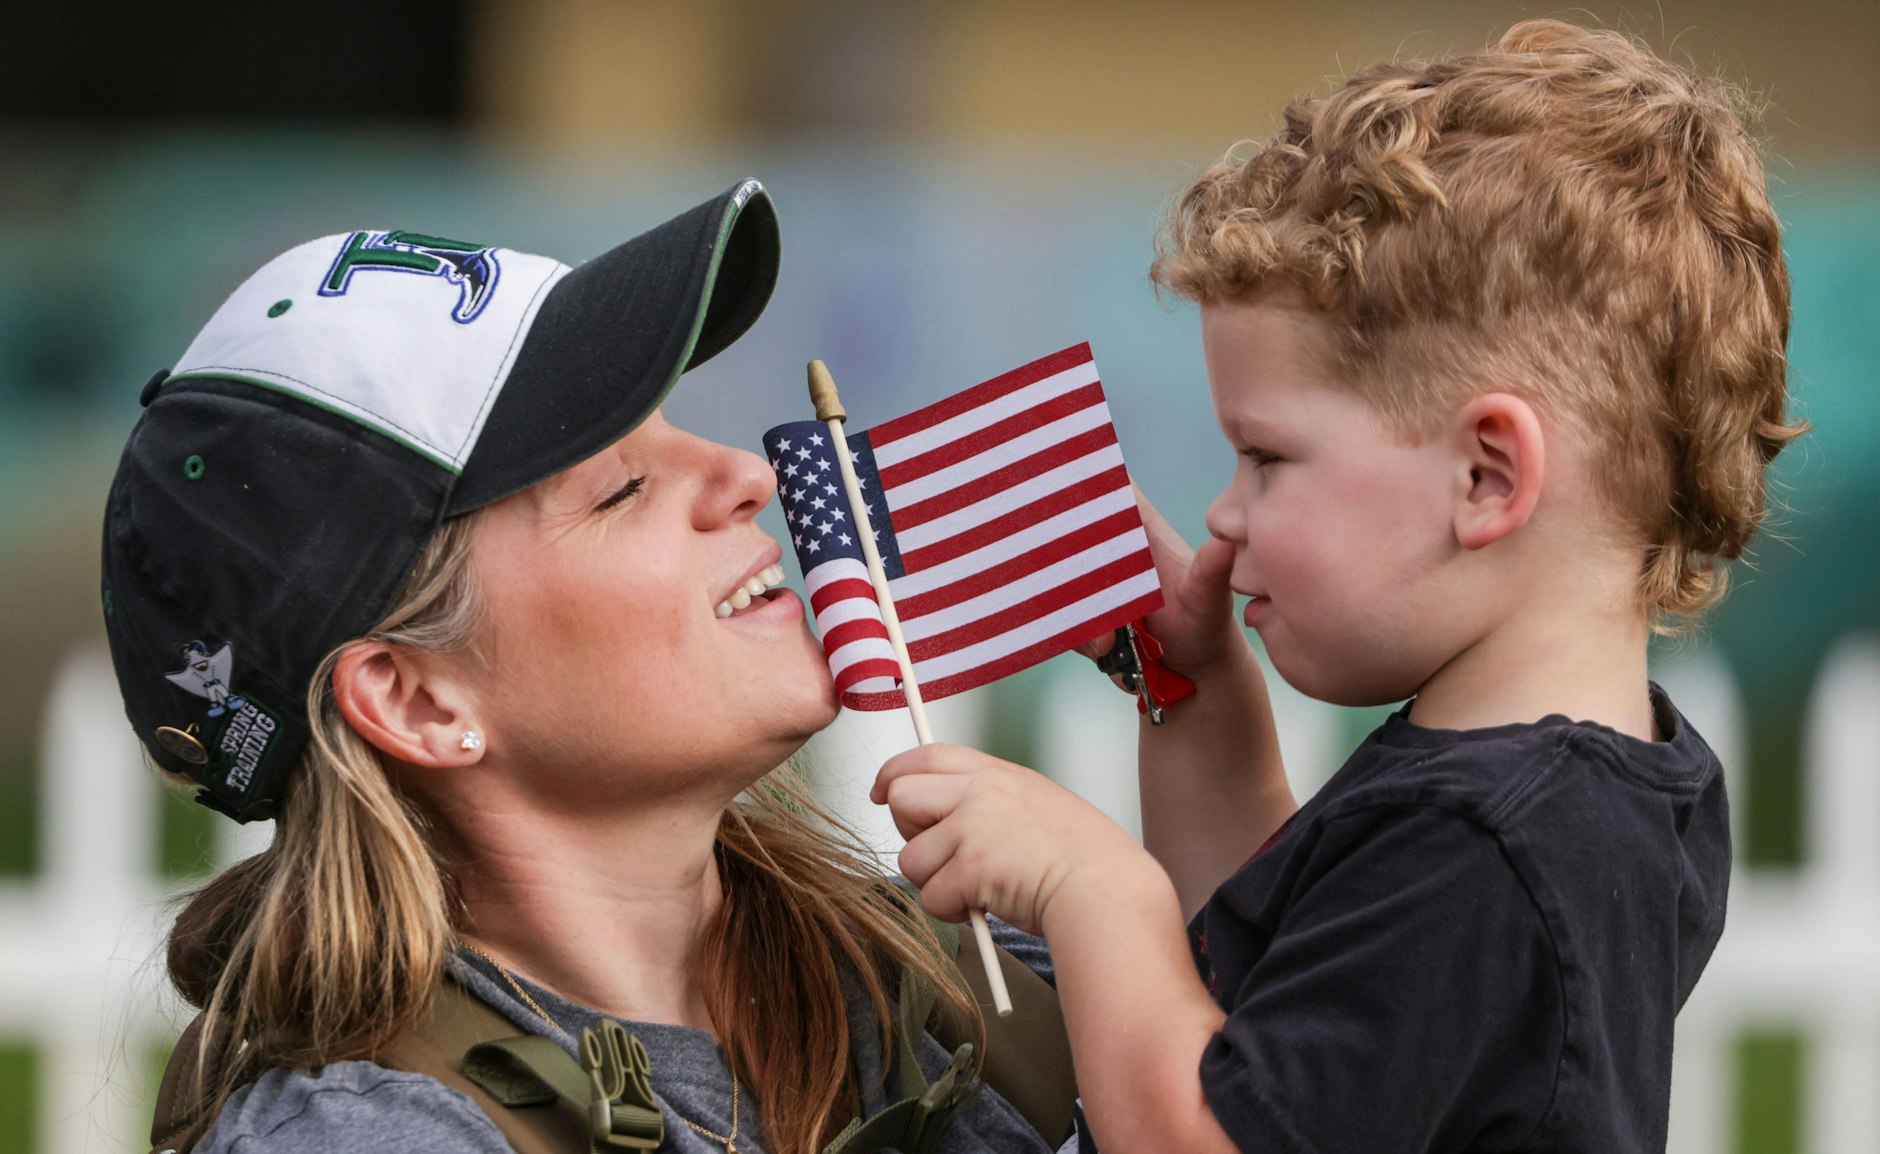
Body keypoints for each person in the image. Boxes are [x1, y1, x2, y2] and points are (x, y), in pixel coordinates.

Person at [873, 20, 1801, 1153]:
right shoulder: (1563, 789)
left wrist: (1091, 884)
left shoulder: (1487, 845)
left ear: (1482, 474)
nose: (1223, 509)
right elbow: (1268, 986)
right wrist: (1197, 689)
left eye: (1266, 457)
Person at [105, 182, 1068, 1154]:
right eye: (621, 488)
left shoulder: (951, 977)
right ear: (417, 699)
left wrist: (1195, 737)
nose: (750, 473)